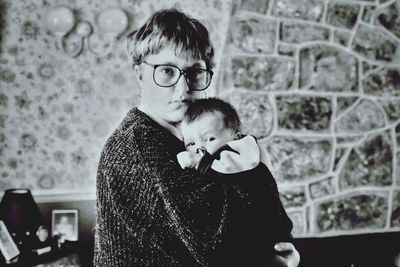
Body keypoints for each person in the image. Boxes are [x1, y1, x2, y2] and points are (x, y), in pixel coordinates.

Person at [95, 8, 300, 267]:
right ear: (140, 74)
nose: (182, 89)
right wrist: (254, 170)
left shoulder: (185, 139)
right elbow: (219, 248)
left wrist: (281, 248)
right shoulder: (141, 144)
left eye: (194, 73)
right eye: (167, 71)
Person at [177, 98, 294, 266]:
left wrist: (191, 161)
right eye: (191, 143)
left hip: (261, 237)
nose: (199, 148)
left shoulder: (234, 158)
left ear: (235, 137)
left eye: (209, 139)